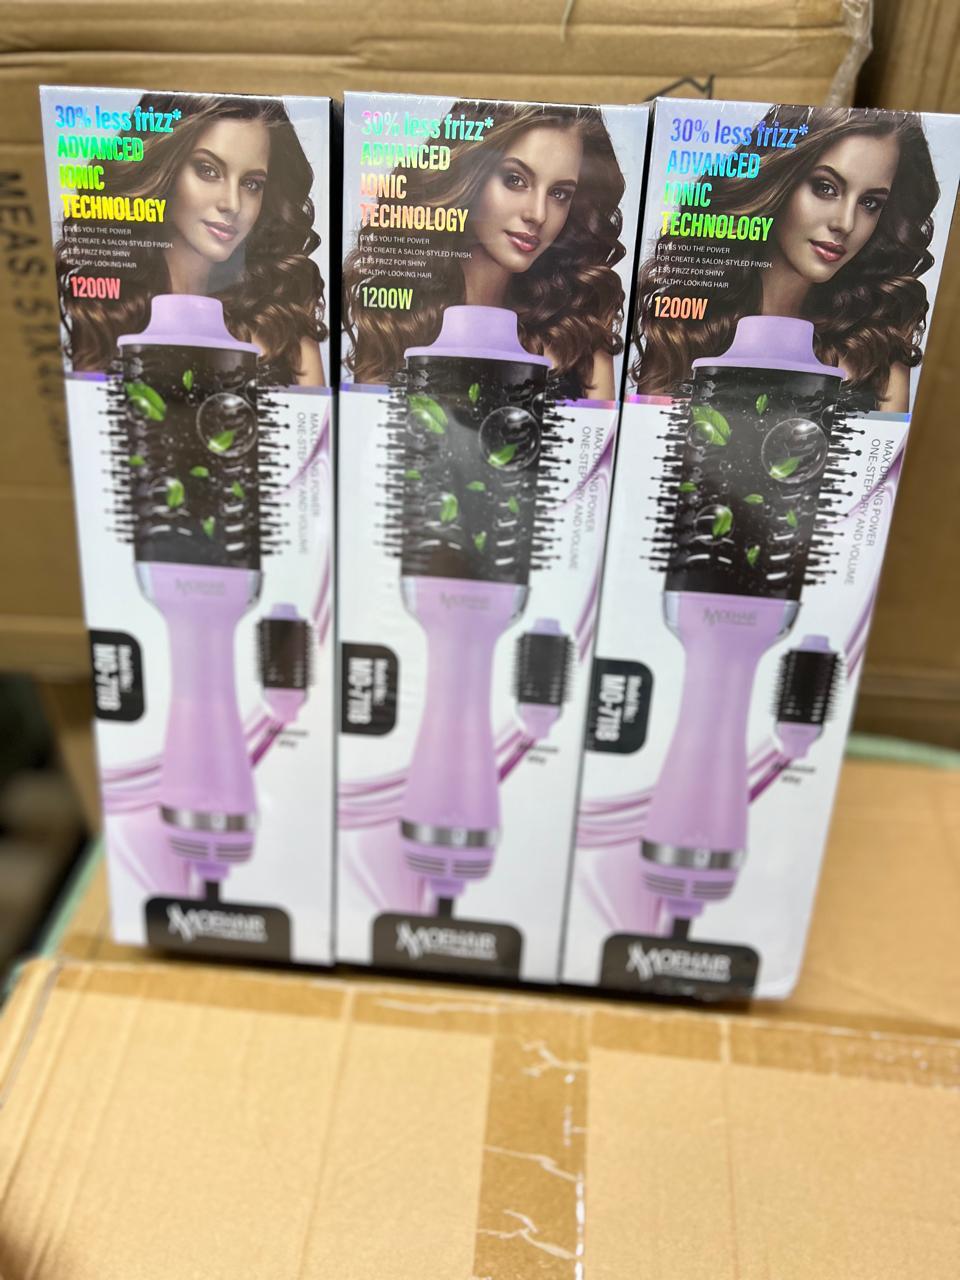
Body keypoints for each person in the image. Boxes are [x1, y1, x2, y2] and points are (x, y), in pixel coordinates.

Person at [634, 105, 940, 411]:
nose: (846, 224)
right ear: (779, 180)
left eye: (870, 203)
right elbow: (646, 436)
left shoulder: (877, 347)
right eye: (825, 188)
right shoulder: (685, 326)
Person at [344, 101, 627, 399]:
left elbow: (600, 430)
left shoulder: (580, 331)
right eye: (515, 180)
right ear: (470, 175)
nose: (538, 214)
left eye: (559, 193)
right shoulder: (394, 318)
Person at [56, 93, 327, 386]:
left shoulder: (283, 326)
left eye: (251, 184)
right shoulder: (107, 310)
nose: (232, 204)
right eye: (208, 170)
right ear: (164, 168)